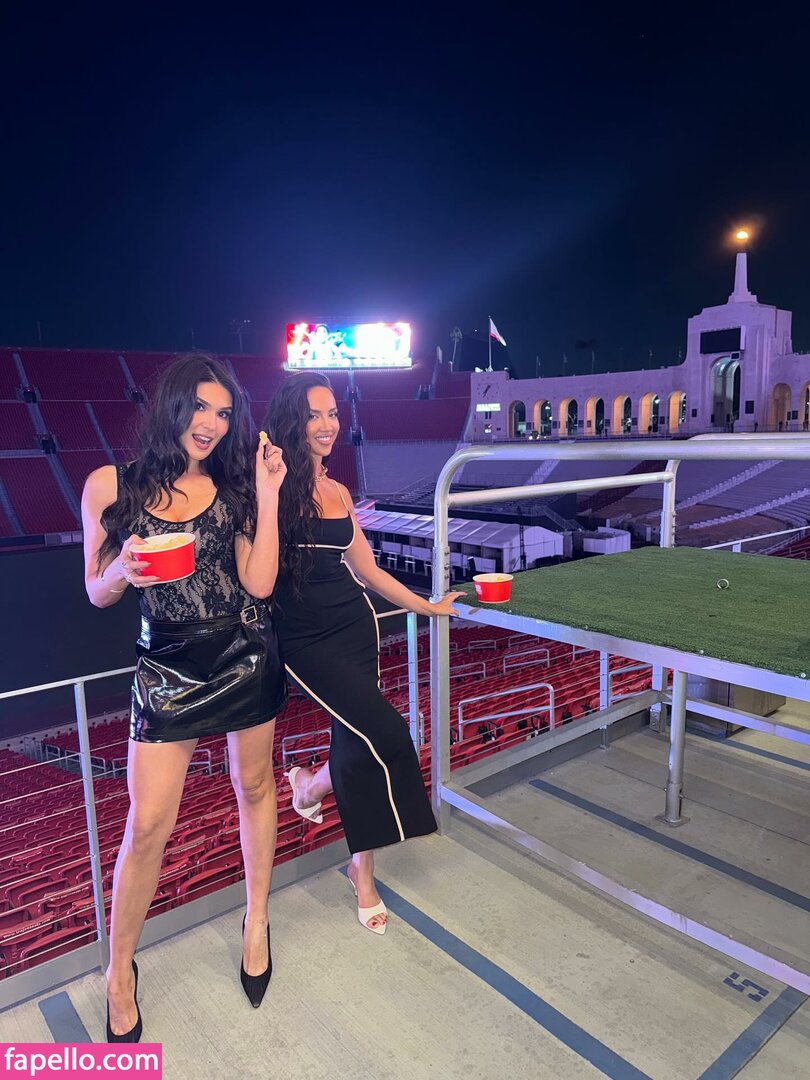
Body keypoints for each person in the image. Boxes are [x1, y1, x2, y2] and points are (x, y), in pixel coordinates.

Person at [81, 354, 287, 1041]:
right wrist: (123, 568)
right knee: (147, 826)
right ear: (171, 403)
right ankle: (119, 971)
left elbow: (260, 584)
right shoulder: (111, 485)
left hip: (243, 651)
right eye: (200, 406)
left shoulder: (235, 485)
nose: (211, 423)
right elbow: (96, 590)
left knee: (254, 787)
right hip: (165, 666)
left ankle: (257, 919)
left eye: (223, 412)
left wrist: (268, 494)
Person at [263, 372, 462, 934]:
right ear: (291, 421)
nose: (327, 425)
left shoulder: (339, 493)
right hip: (304, 640)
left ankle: (356, 861)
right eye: (314, 415)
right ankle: (314, 791)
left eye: (332, 413)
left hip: (356, 627)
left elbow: (369, 571)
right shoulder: (269, 490)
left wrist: (428, 606)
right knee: (388, 733)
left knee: (354, 744)